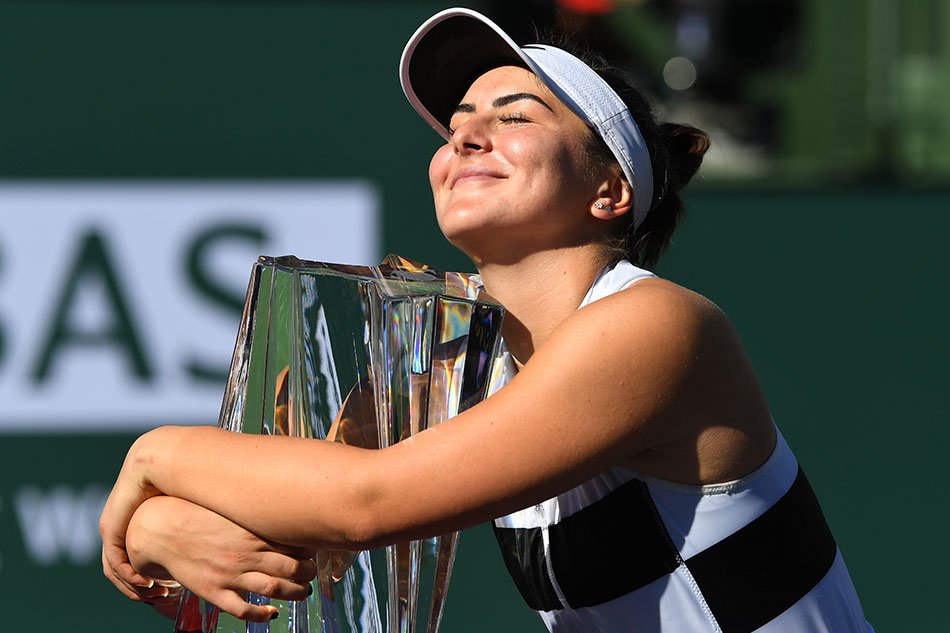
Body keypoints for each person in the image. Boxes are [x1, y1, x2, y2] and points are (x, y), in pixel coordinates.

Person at [101, 8, 872, 632]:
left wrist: (151, 454)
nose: (466, 134)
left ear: (609, 188)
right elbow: (298, 518)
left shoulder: (656, 325)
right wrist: (159, 528)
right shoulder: (454, 353)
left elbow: (363, 504)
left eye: (515, 116)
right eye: (458, 122)